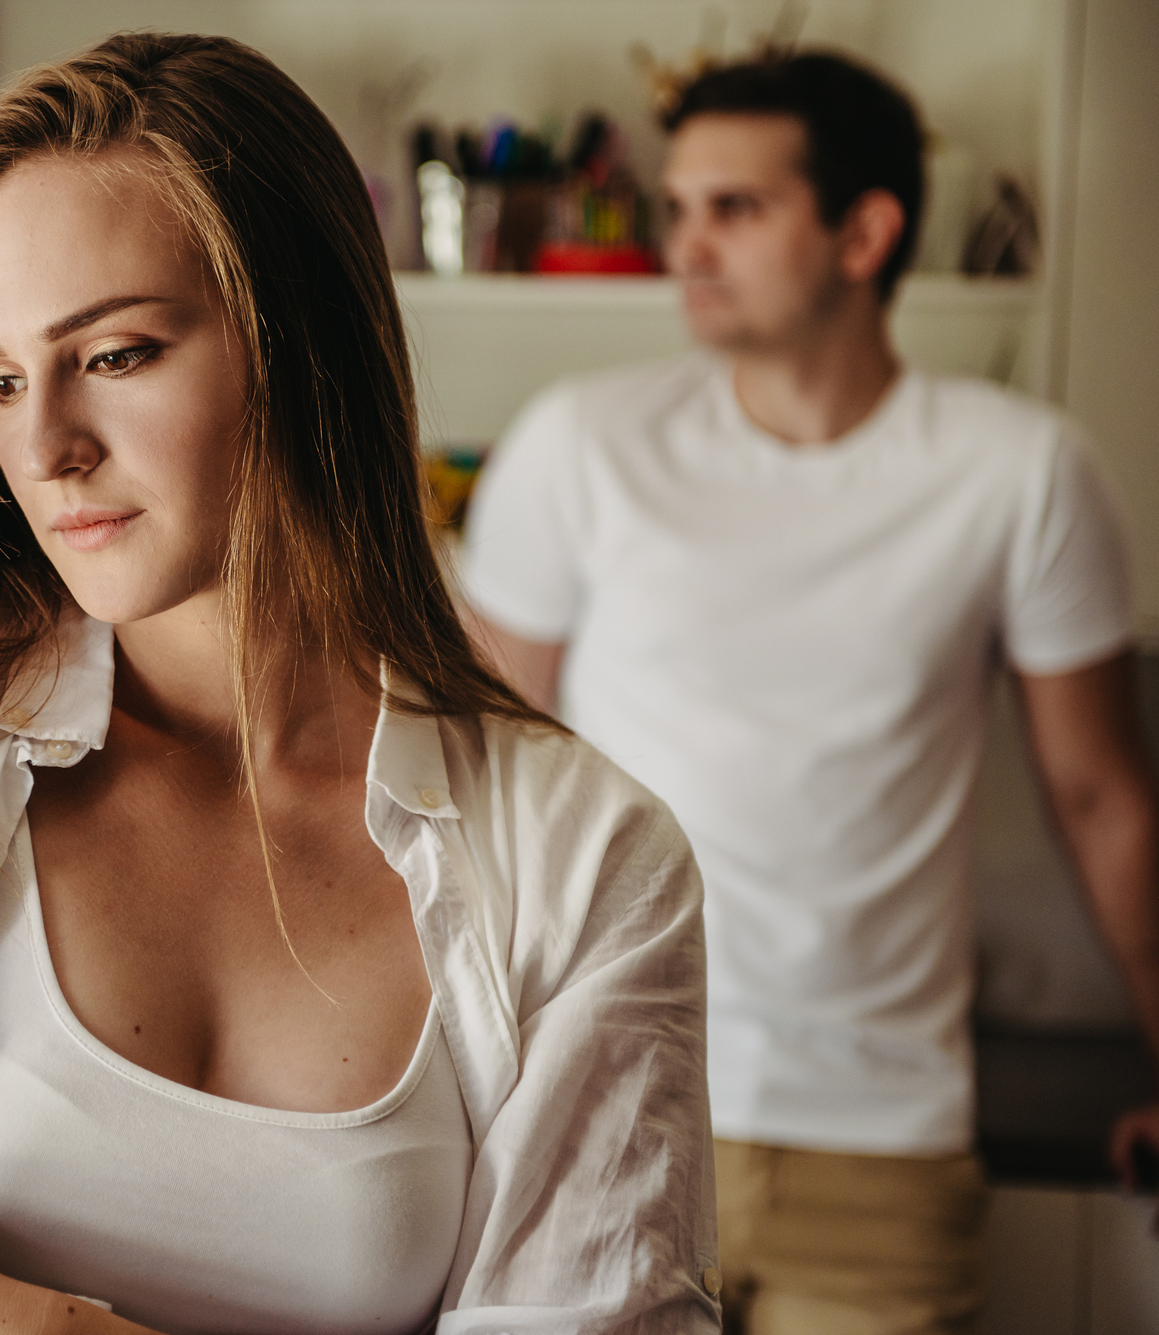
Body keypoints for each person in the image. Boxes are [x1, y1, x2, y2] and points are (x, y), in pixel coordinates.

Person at [0, 32, 720, 1335]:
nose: (43, 447)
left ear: (299, 338)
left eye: (115, 354)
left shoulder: (587, 855)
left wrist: (34, 1328)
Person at [460, 50, 1159, 1335]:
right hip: (597, 1111)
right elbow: (479, 782)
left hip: (878, 1142)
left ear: (864, 230)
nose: (687, 245)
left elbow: (1098, 791)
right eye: (676, 208)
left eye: (733, 208)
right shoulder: (579, 446)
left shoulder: (1020, 473)